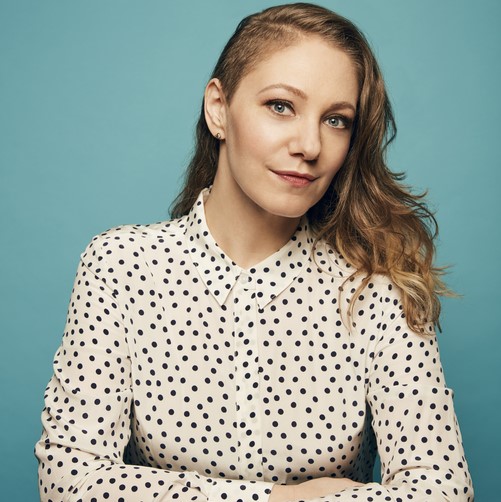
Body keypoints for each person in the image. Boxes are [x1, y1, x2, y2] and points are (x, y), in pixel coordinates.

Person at [35, 3, 474, 501]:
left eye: (336, 120)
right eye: (281, 106)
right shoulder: (122, 267)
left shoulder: (376, 289)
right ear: (218, 109)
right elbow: (69, 481)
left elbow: (444, 491)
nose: (310, 145)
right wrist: (285, 498)